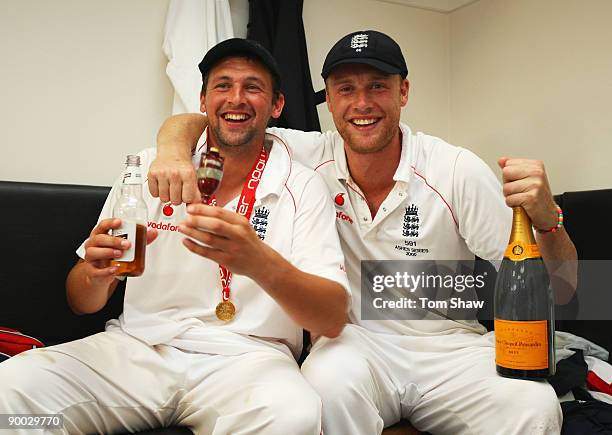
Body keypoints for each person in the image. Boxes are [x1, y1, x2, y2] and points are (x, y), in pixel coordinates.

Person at [149, 31, 578, 434]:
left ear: (403, 92)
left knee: (534, 405)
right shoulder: (303, 155)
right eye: (346, 89)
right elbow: (207, 121)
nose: (362, 104)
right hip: (356, 344)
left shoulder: (455, 169)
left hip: (452, 348)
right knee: (325, 385)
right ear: (329, 103)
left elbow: (562, 291)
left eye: (377, 86)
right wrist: (170, 151)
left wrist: (548, 220)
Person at [0, 39, 351, 435]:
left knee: (294, 416)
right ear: (202, 100)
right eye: (222, 86)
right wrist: (95, 275)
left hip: (249, 360)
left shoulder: (302, 185)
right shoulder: (151, 167)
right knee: (10, 391)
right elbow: (81, 303)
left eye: (253, 87)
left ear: (276, 106)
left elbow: (332, 316)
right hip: (139, 350)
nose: (236, 98)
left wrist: (258, 261)